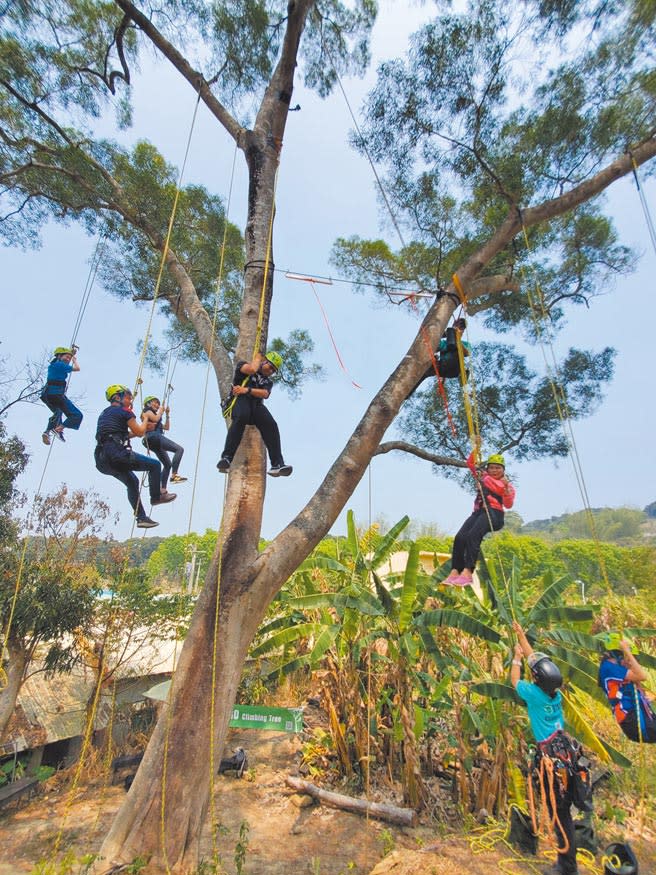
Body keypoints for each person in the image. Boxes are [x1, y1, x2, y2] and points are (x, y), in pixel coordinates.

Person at [511, 621, 591, 875]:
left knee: (560, 814)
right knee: (563, 811)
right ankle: (567, 862)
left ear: (536, 681)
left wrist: (515, 658)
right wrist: (522, 636)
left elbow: (514, 680)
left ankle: (567, 866)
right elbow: (536, 663)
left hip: (552, 763)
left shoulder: (533, 694)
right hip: (566, 756)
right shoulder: (555, 694)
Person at [94, 384, 176, 529]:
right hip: (117, 454)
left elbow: (121, 434)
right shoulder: (125, 412)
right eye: (128, 397)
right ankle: (156, 497)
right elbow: (138, 431)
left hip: (102, 459)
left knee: (132, 481)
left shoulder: (105, 413)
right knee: (155, 465)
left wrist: (142, 430)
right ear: (117, 398)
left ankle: (141, 518)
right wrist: (145, 420)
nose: (131, 401)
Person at [444, 441, 515, 586]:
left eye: (497, 468)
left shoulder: (504, 484)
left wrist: (505, 489)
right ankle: (455, 570)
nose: (494, 470)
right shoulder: (483, 476)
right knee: (460, 538)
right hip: (478, 513)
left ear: (503, 470)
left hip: (494, 514)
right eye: (492, 468)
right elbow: (470, 464)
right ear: (488, 468)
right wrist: (476, 448)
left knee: (473, 536)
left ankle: (468, 571)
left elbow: (508, 504)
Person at [217, 351, 292, 477]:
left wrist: (246, 390)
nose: (271, 371)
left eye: (274, 370)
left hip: (255, 406)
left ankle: (277, 464)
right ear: (264, 361)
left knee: (271, 424)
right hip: (238, 402)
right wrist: (257, 357)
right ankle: (227, 458)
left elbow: (265, 394)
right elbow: (251, 369)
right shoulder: (242, 366)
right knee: (242, 415)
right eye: (270, 366)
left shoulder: (268, 382)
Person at [598, 632, 656, 743]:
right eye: (626, 659)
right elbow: (643, 676)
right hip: (632, 721)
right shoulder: (609, 668)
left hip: (640, 717)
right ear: (618, 656)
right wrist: (627, 652)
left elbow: (639, 686)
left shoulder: (619, 670)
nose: (628, 662)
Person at [141, 395, 186, 490]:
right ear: (148, 403)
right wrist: (161, 411)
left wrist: (167, 415)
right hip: (154, 437)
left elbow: (166, 427)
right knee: (179, 449)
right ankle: (174, 475)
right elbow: (156, 418)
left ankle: (162, 489)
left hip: (154, 441)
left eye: (158, 403)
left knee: (167, 465)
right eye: (155, 402)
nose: (157, 405)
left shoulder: (154, 418)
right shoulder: (147, 411)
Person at [40, 346, 83, 445]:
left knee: (58, 412)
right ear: (59, 356)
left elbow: (64, 360)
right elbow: (77, 368)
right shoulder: (60, 365)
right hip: (56, 394)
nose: (68, 359)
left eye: (69, 358)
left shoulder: (54, 364)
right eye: (66, 357)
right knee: (77, 415)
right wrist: (74, 359)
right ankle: (58, 429)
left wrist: (70, 354)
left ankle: (47, 432)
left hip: (47, 395)